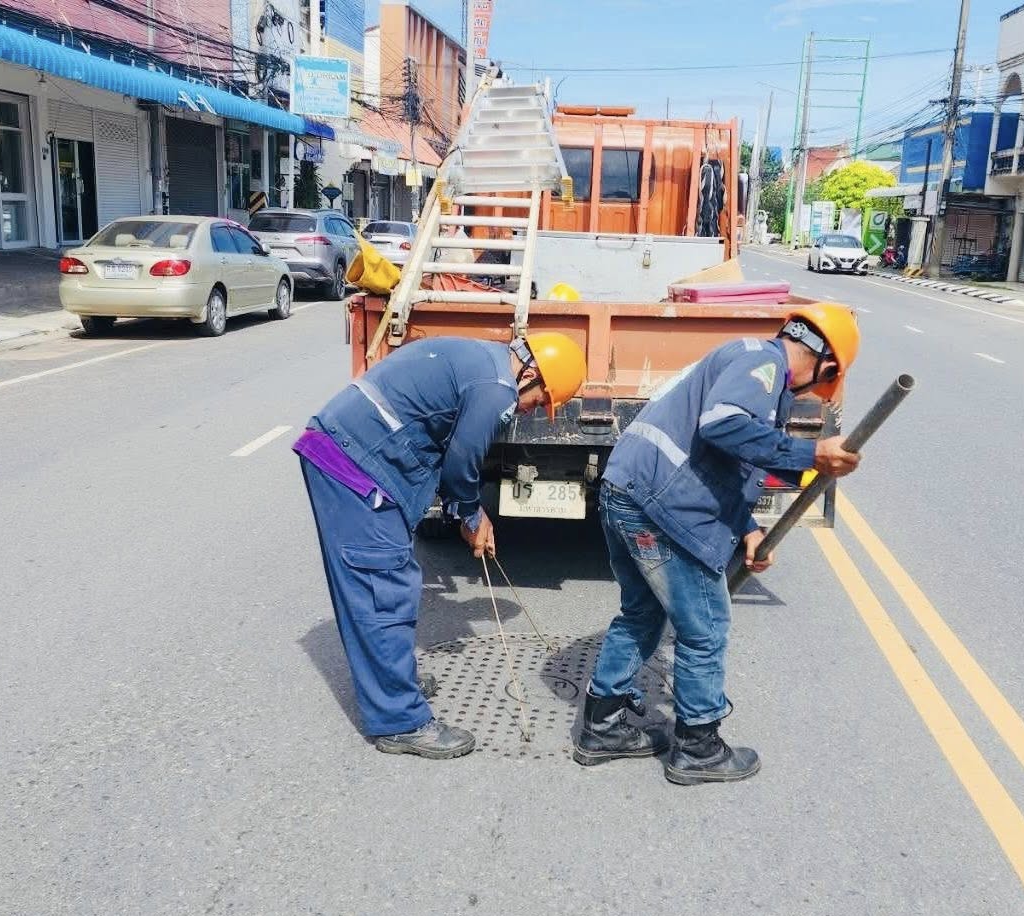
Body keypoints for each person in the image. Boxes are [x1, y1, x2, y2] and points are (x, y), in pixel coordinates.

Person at [574, 304, 862, 785]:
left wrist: (746, 526)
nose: (810, 391)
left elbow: (719, 462)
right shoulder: (764, 364)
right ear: (826, 364)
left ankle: (602, 724)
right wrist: (810, 452)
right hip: (661, 507)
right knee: (704, 629)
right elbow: (722, 426)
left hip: (627, 491)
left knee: (643, 614)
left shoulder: (744, 359)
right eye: (821, 381)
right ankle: (698, 747)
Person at [297, 333, 587, 759]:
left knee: (390, 582)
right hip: (353, 461)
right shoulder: (496, 388)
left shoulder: (483, 360)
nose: (533, 409)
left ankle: (394, 680)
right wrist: (471, 515)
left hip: (356, 452)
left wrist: (467, 512)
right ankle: (399, 721)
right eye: (540, 398)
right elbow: (460, 464)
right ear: (532, 372)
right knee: (384, 587)